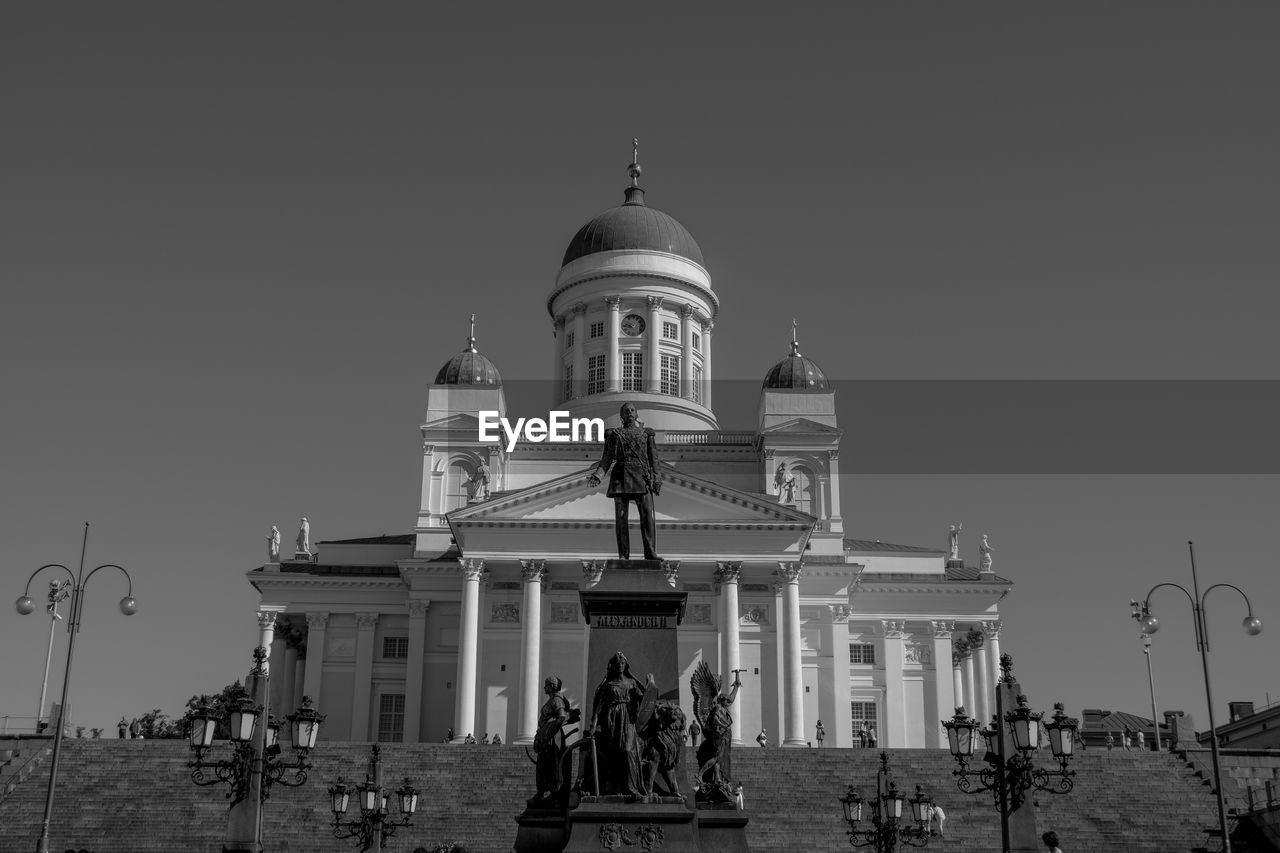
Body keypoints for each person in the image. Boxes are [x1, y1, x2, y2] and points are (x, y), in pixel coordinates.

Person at [588, 403, 661, 560]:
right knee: (621, 518)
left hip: (642, 477)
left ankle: (650, 551)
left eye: (632, 410)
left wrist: (656, 478)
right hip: (621, 476)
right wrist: (598, 475)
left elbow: (654, 459)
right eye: (626, 411)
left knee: (647, 514)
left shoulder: (646, 434)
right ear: (621, 416)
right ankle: (623, 554)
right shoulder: (615, 434)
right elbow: (607, 458)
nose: (629, 413)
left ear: (636, 414)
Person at [587, 651, 653, 797]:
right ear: (613, 665)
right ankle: (617, 786)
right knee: (615, 752)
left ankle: (632, 787)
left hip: (628, 719)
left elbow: (645, 700)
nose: (620, 665)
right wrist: (593, 725)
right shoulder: (609, 685)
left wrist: (649, 686)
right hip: (612, 720)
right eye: (617, 663)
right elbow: (599, 706)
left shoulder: (631, 683)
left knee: (628, 750)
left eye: (622, 662)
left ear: (626, 665)